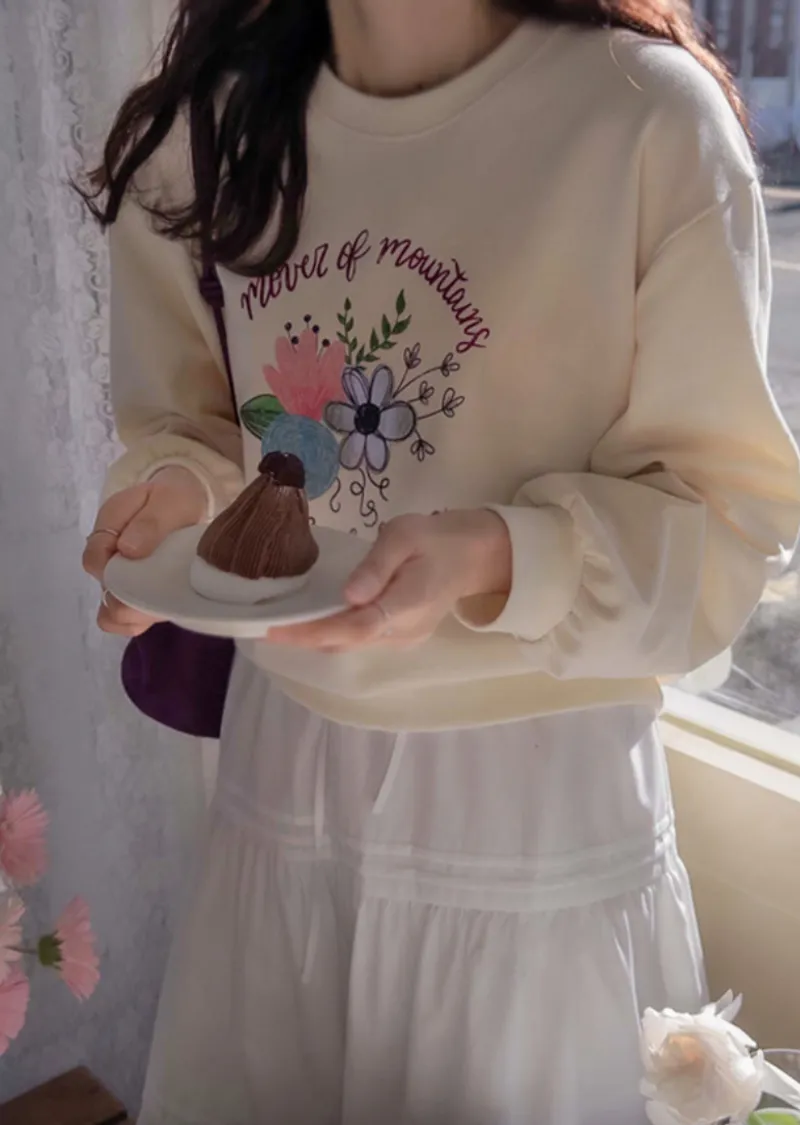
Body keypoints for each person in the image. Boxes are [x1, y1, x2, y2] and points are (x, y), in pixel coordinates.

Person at [81, 0, 800, 1122]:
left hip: (538, 803)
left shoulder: (647, 124)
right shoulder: (208, 130)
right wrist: (178, 497)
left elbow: (725, 526)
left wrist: (499, 555)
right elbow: (200, 428)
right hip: (284, 778)